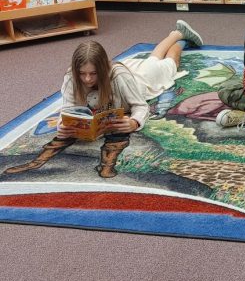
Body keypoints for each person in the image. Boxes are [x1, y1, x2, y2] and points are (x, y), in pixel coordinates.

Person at [3, 20, 203, 178]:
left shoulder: (118, 77)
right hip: (128, 74)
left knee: (168, 65)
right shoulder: (71, 79)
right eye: (83, 74)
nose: (88, 79)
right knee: (152, 59)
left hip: (141, 82)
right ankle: (175, 35)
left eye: (93, 74)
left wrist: (133, 122)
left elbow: (140, 106)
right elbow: (68, 110)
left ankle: (179, 38)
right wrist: (63, 125)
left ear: (103, 70)